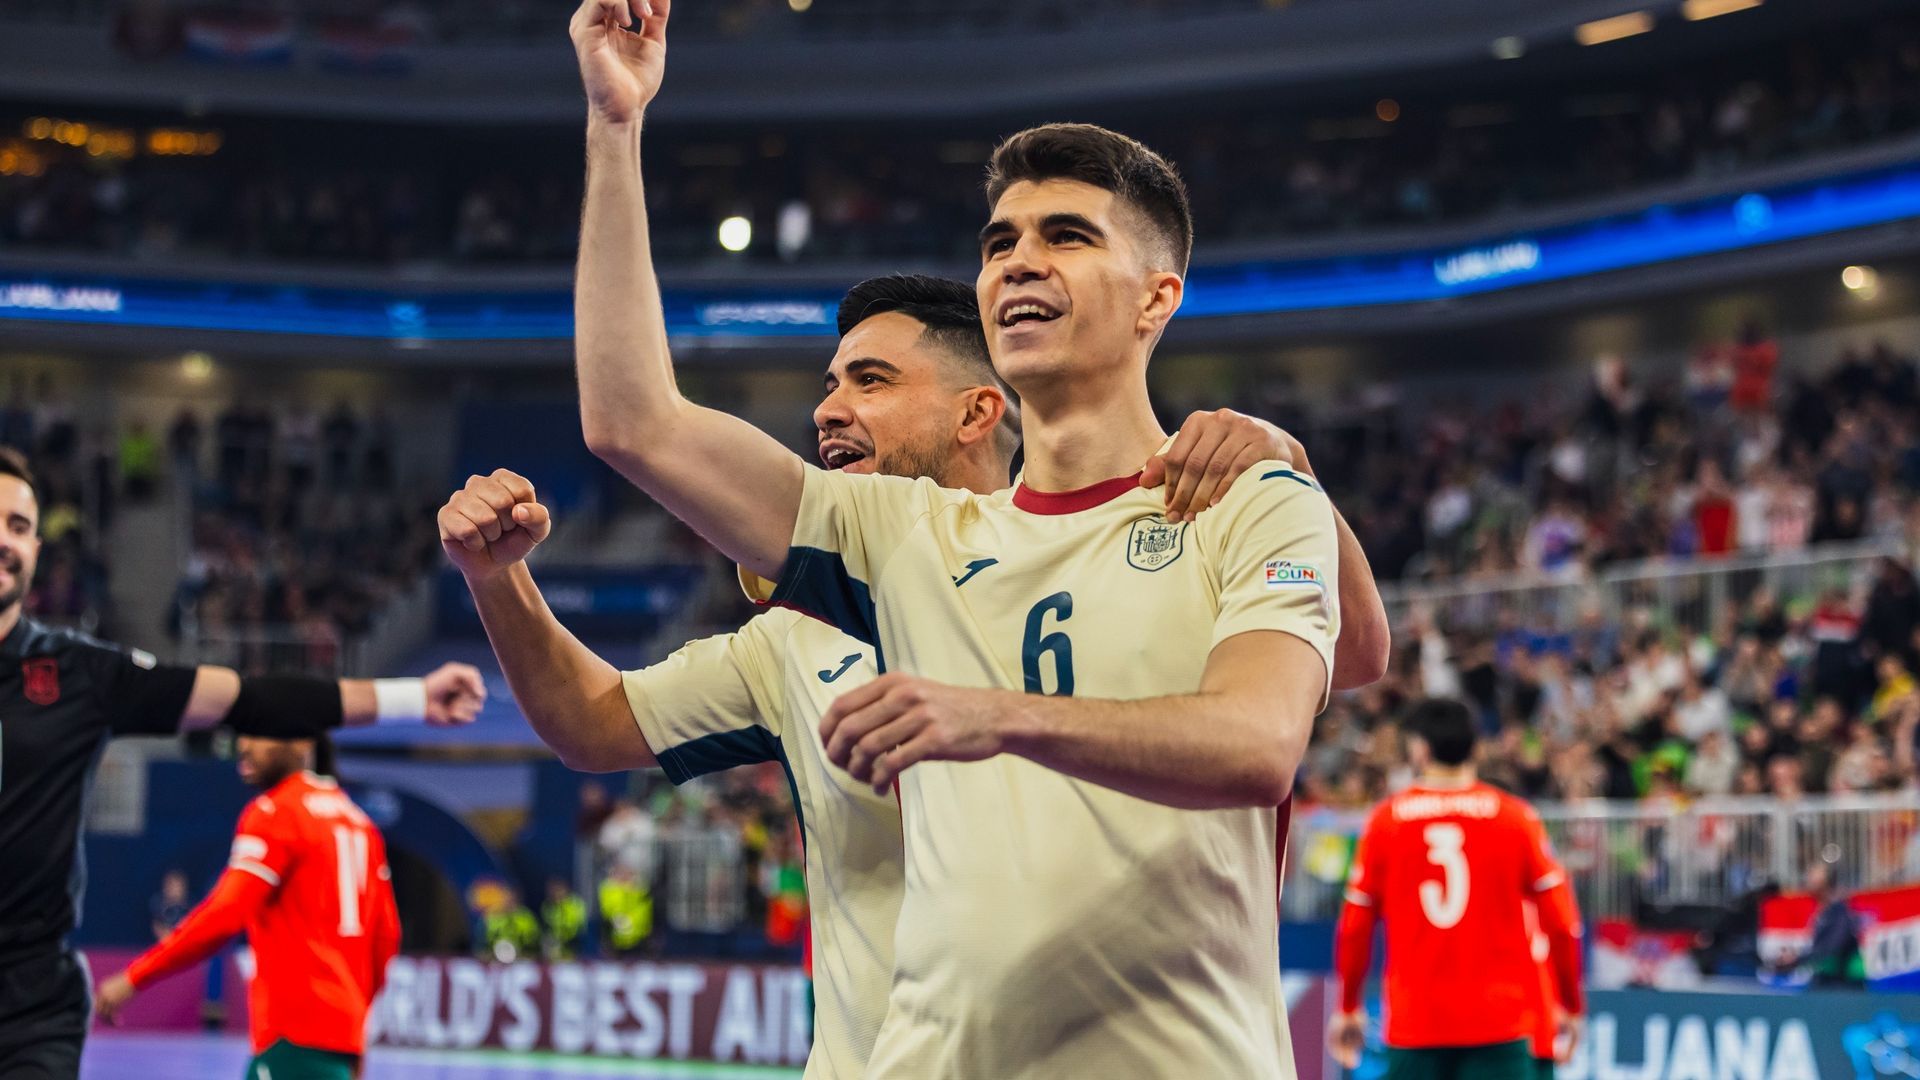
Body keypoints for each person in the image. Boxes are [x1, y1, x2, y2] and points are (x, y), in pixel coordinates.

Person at [566, 5, 1390, 1074]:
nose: (1016, 263)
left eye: (1066, 237)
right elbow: (636, 425)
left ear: (1158, 298)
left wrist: (988, 712)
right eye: (1000, 242)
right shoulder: (904, 533)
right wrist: (614, 125)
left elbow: (1256, 745)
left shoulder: (1248, 501)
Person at [442, 273, 1386, 1078]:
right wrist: (498, 582)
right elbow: (593, 723)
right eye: (830, 382)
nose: (827, 407)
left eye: (871, 379)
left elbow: (1357, 655)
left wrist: (1291, 475)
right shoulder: (799, 636)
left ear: (980, 410)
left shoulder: (1148, 549)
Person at [0, 446, 483, 1079]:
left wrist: (413, 697)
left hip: (30, 1013)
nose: (7, 541)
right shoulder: (343, 823)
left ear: (38, 549)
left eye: (20, 527)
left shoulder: (77, 673)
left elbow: (253, 700)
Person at [94, 733, 400, 1080]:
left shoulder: (276, 812)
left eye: (261, 733)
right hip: (337, 1039)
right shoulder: (359, 822)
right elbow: (386, 937)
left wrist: (135, 976)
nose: (244, 744)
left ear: (301, 742)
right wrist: (353, 1033)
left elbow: (225, 914)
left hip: (293, 1032)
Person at [1329, 699, 1585, 1080]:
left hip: (1415, 1024)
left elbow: (1354, 927)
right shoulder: (1516, 818)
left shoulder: (1385, 822)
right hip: (1500, 1025)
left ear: (1419, 748)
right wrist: (1570, 1003)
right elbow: (1563, 925)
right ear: (1476, 748)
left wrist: (1349, 1005)